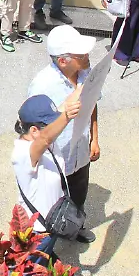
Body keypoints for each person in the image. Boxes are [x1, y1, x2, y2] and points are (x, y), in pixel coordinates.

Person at [26, 26, 99, 244]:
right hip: (56, 160)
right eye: (80, 54)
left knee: (79, 195)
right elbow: (33, 131)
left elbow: (93, 105)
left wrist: (95, 138)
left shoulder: (85, 73)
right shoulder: (42, 86)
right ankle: (49, 245)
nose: (87, 57)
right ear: (63, 61)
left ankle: (76, 227)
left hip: (80, 153)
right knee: (52, 206)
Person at [13, 92, 82, 258]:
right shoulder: (22, 153)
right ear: (34, 130)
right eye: (49, 125)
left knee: (47, 256)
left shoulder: (38, 134)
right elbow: (45, 139)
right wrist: (65, 117)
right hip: (38, 230)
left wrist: (87, 79)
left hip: (52, 220)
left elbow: (66, 105)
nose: (54, 128)